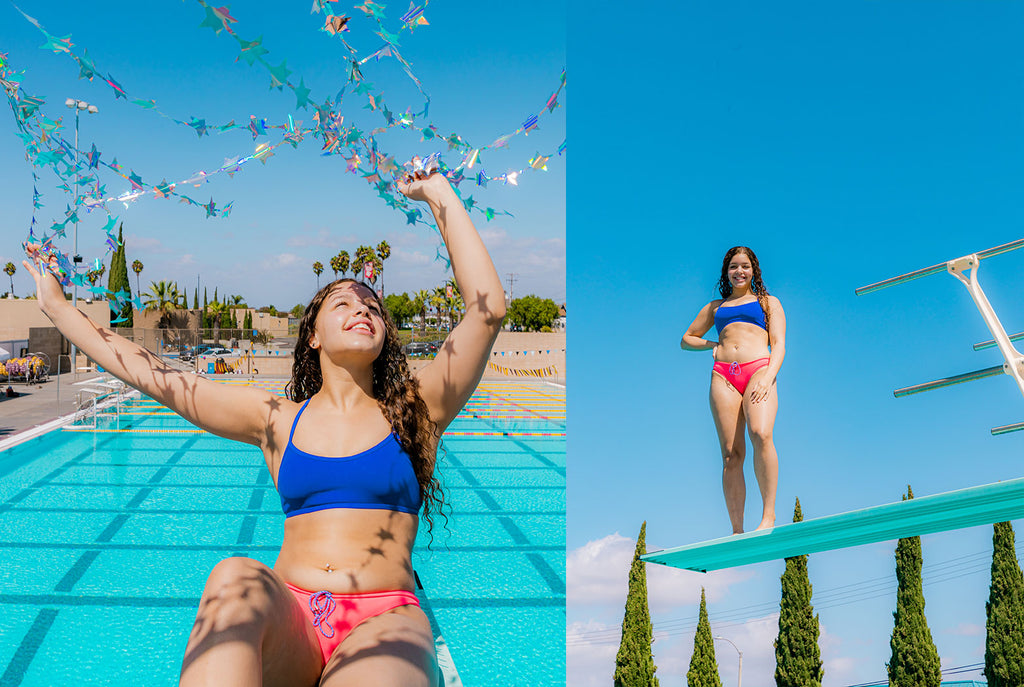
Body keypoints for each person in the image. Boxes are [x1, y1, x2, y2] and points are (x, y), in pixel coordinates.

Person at [22, 169, 505, 687]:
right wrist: (58, 308)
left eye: (371, 306)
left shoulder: (418, 408)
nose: (362, 308)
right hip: (290, 617)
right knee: (232, 575)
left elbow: (487, 311)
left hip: (384, 618)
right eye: (342, 302)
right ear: (313, 336)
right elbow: (157, 377)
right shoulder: (278, 420)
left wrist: (437, 193)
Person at [681, 246, 786, 534]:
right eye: (733, 267)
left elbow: (778, 345)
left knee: (761, 434)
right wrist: (714, 346)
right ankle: (737, 529)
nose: (739, 271)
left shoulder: (769, 302)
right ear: (726, 272)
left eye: (745, 266)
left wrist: (768, 377)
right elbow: (686, 339)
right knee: (730, 454)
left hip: (759, 371)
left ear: (754, 271)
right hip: (723, 377)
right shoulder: (716, 307)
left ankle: (768, 517)